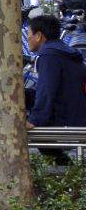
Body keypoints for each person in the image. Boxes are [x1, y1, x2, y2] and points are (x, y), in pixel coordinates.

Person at [26, 14, 86, 164]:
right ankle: (67, 171)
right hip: (77, 115)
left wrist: (34, 120)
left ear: (39, 35)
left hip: (68, 120)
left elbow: (47, 89)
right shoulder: (65, 52)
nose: (27, 40)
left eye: (29, 35)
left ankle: (66, 172)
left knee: (35, 135)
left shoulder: (48, 55)